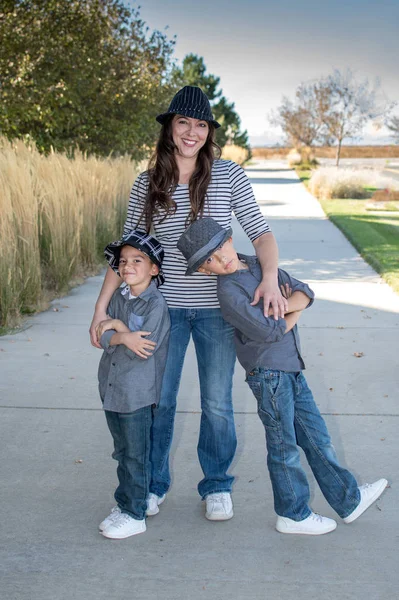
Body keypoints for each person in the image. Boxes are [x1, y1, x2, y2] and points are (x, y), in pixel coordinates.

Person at [90, 85, 287, 521]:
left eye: (201, 125)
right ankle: (154, 484)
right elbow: (127, 251)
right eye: (184, 123)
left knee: (217, 400)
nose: (192, 132)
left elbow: (261, 232)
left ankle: (216, 485)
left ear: (209, 132)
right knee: (160, 398)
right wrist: (102, 307)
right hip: (163, 312)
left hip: (219, 309)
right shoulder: (147, 184)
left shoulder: (229, 175)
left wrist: (270, 278)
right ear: (169, 128)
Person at [177, 217, 388, 535]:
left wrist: (286, 306)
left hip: (290, 367)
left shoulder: (258, 265)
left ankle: (349, 499)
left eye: (220, 248)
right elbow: (270, 331)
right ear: (205, 270)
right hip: (269, 376)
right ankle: (293, 513)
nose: (221, 259)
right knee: (283, 445)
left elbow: (305, 290)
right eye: (210, 260)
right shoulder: (230, 293)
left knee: (317, 438)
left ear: (230, 240)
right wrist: (295, 310)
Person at [96, 230, 170, 539]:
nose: (127, 266)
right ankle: (126, 502)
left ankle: (135, 513)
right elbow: (99, 336)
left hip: (137, 395)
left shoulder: (156, 305)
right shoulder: (118, 297)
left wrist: (119, 330)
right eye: (123, 261)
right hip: (112, 389)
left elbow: (143, 347)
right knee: (122, 452)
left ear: (154, 269)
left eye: (138, 260)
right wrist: (116, 333)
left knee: (135, 455)